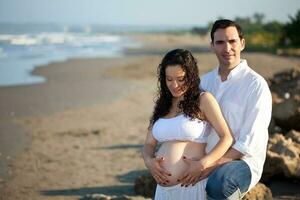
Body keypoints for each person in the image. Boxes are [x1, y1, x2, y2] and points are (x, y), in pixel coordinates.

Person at [178, 19, 272, 199]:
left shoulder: (256, 85)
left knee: (219, 183)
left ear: (242, 44)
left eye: (232, 41)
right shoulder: (204, 83)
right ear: (212, 46)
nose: (227, 48)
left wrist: (209, 166)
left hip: (241, 162)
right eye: (220, 42)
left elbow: (248, 142)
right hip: (206, 155)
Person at [142, 48, 234, 200]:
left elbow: (227, 138)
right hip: (162, 192)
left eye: (180, 79)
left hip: (191, 186)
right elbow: (149, 144)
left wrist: (203, 164)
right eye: (169, 79)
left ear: (191, 76)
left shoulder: (203, 99)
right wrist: (149, 161)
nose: (174, 85)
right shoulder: (162, 104)